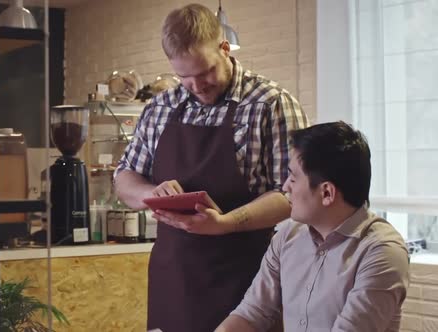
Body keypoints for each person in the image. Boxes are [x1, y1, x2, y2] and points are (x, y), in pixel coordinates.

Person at [112, 4, 309, 332]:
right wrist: (151, 193)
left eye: (204, 72)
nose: (196, 85)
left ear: (224, 48)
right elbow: (124, 176)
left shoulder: (269, 104)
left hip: (246, 281)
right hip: (173, 280)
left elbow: (292, 195)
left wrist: (226, 223)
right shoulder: (160, 108)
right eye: (184, 76)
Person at [215, 121, 410, 332]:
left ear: (327, 193)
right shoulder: (288, 236)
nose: (286, 186)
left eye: (293, 177)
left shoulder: (381, 252)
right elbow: (252, 313)